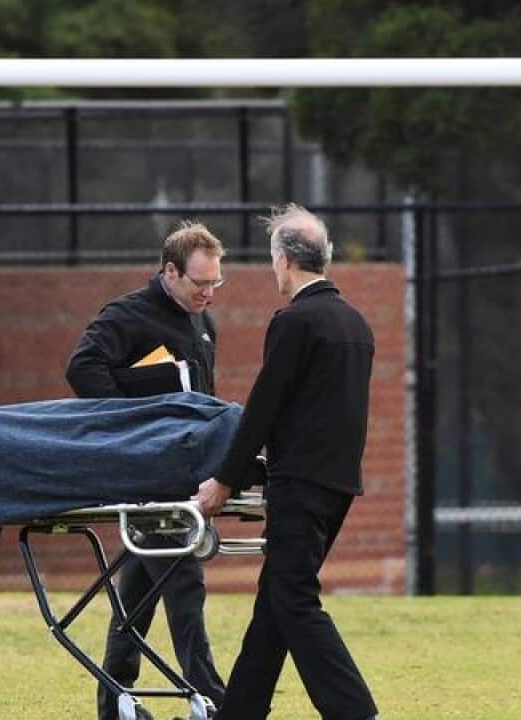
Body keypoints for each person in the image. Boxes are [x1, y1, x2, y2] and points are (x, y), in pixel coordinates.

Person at [193, 204, 379, 720]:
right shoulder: (354, 323)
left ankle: (356, 713)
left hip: (300, 482)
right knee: (275, 601)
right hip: (340, 483)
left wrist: (224, 480)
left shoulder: (295, 321)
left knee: (294, 599)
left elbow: (264, 409)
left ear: (284, 260)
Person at [65, 220, 229, 720]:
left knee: (137, 592)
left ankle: (114, 702)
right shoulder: (129, 315)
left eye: (216, 283)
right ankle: (214, 701)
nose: (209, 292)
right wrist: (131, 427)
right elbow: (82, 368)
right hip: (149, 476)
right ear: (171, 272)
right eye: (200, 283)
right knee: (183, 583)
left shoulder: (203, 321)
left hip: (182, 471)